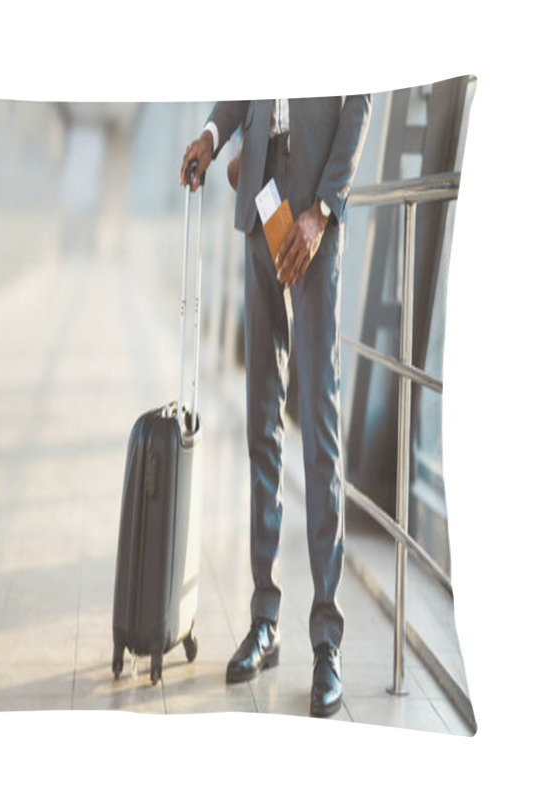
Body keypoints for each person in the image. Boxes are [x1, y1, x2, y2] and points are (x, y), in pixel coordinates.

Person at [180, 96, 371, 717]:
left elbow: (360, 97)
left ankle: (326, 639)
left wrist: (324, 208)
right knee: (262, 417)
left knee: (317, 421)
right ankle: (266, 618)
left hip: (313, 205)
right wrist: (213, 136)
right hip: (259, 191)